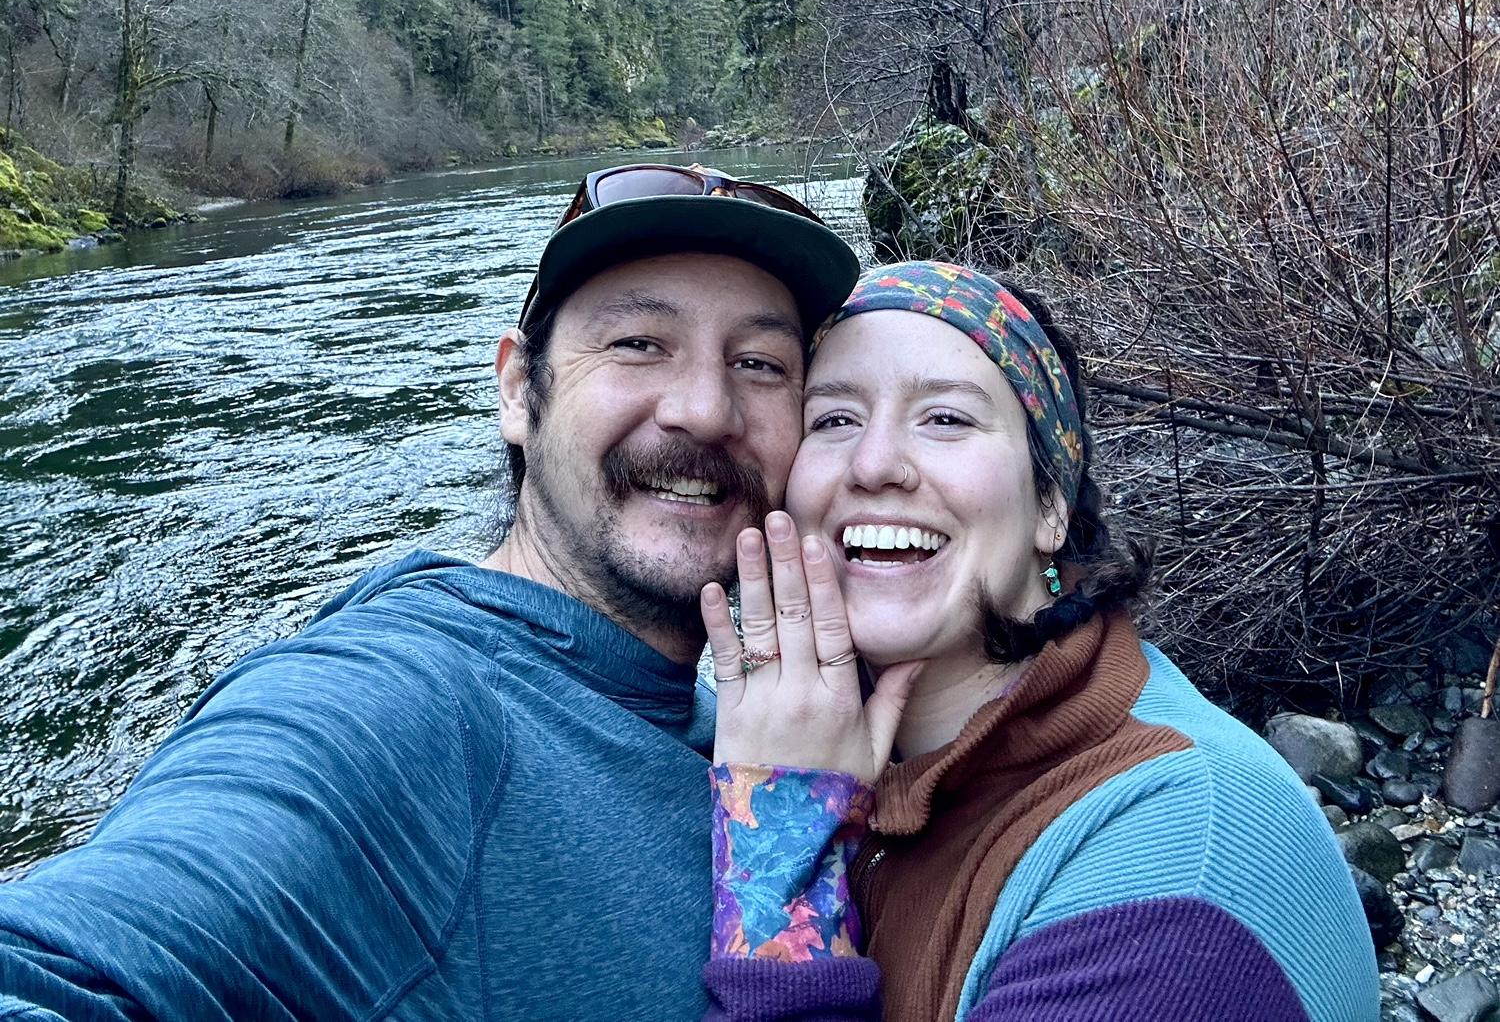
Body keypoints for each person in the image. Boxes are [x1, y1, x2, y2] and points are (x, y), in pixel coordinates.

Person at [0, 164, 859, 1021]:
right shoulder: (393, 707)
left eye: (759, 363)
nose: (706, 410)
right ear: (519, 390)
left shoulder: (762, 721)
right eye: (638, 343)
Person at [698, 260, 1380, 1022]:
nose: (874, 463)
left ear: (1050, 504)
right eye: (833, 421)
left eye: (946, 418)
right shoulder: (827, 749)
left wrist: (779, 832)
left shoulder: (1178, 861)